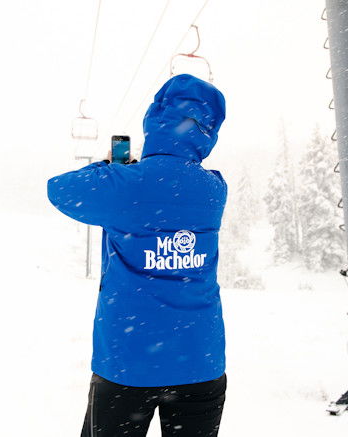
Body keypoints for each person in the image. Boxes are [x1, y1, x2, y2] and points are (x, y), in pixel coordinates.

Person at [47, 74, 227, 437]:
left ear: (155, 122)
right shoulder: (215, 188)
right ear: (209, 132)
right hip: (200, 360)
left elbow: (59, 190)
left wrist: (111, 169)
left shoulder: (124, 184)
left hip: (129, 363)